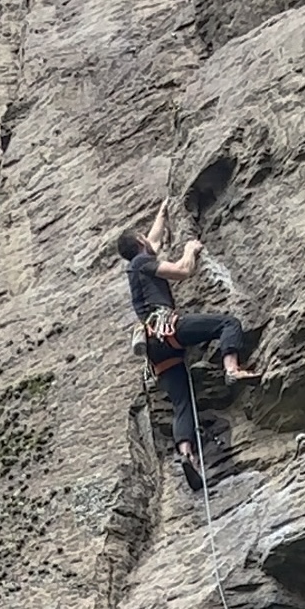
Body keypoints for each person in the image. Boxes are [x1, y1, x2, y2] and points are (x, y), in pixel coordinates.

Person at [116, 203, 259, 486]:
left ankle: (187, 454)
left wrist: (162, 213)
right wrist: (190, 250)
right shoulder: (143, 263)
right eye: (146, 238)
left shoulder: (136, 265)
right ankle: (232, 368)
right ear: (140, 243)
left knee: (183, 402)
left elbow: (153, 239)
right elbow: (182, 271)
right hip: (166, 328)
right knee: (228, 323)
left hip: (156, 351)